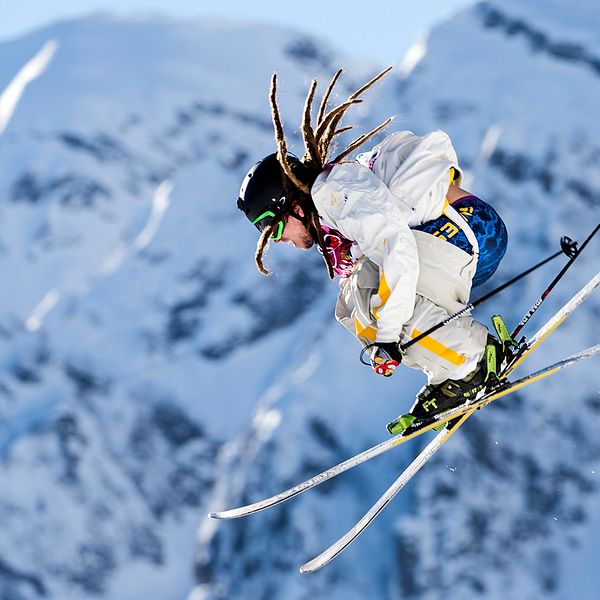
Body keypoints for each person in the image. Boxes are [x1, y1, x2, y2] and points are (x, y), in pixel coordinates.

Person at [236, 67, 508, 432]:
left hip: (467, 230)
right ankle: (453, 366)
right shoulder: (336, 198)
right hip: (463, 233)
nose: (281, 240)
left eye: (277, 228)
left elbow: (397, 249)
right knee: (356, 302)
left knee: (367, 293)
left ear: (293, 206)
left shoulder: (333, 193)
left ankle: (470, 361)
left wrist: (387, 336)